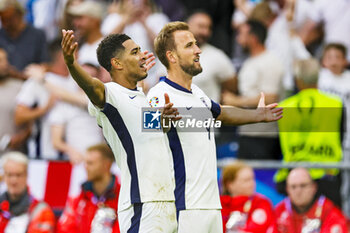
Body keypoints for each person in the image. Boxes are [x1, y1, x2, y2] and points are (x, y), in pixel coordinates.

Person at [148, 21, 282, 233]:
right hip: (185, 206)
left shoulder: (197, 94)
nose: (198, 50)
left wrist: (257, 115)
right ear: (171, 56)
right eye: (189, 45)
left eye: (196, 44)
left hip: (211, 206)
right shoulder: (158, 94)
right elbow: (148, 128)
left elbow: (221, 112)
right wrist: (163, 120)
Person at [61, 30, 178, 232]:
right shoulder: (111, 94)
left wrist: (164, 121)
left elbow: (151, 132)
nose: (142, 55)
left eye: (141, 50)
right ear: (117, 63)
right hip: (142, 204)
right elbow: (92, 87)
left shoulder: (142, 98)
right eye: (134, 52)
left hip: (167, 202)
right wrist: (72, 64)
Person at [275, 58, 344, 207]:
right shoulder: (336, 103)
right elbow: (341, 137)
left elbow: (277, 144)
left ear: (297, 80)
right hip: (327, 175)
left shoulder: (284, 106)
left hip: (294, 176)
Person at [222, 19, 284, 160]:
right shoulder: (250, 60)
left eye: (241, 34)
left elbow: (270, 97)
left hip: (263, 136)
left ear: (253, 38)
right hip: (247, 130)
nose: (238, 38)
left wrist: (235, 101)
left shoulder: (270, 61)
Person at [57, 143, 121, 233]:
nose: (85, 167)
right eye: (85, 163)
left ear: (107, 165)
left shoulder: (123, 197)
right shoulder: (79, 197)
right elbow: (64, 228)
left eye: (90, 163)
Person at [275, 168, 348, 233]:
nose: (298, 191)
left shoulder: (329, 211)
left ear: (314, 187)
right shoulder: (279, 211)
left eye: (303, 185)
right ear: (287, 189)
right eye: (293, 187)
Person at [187, 11, 236, 103]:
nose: (205, 32)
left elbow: (231, 87)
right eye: (201, 26)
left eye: (208, 28)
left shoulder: (217, 56)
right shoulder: (171, 52)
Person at [0, 151, 55, 232]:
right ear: (4, 176)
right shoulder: (1, 206)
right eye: (10, 175)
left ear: (27, 175)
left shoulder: (41, 210)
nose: (14, 181)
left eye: (18, 175)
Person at [220, 161, 277, 233]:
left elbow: (256, 230)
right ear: (230, 184)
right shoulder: (220, 205)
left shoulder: (261, 203)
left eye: (252, 179)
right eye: (246, 180)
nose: (252, 184)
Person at [0, 0, 49, 73]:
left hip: (29, 80)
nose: (7, 23)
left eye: (10, 19)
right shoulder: (1, 35)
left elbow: (46, 63)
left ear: (20, 15)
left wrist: (37, 70)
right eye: (3, 20)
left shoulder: (37, 35)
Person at [0, 48, 30, 153]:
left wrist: (21, 137)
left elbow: (30, 123)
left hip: (13, 154)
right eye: (0, 60)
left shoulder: (20, 87)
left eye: (5, 60)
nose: (4, 64)